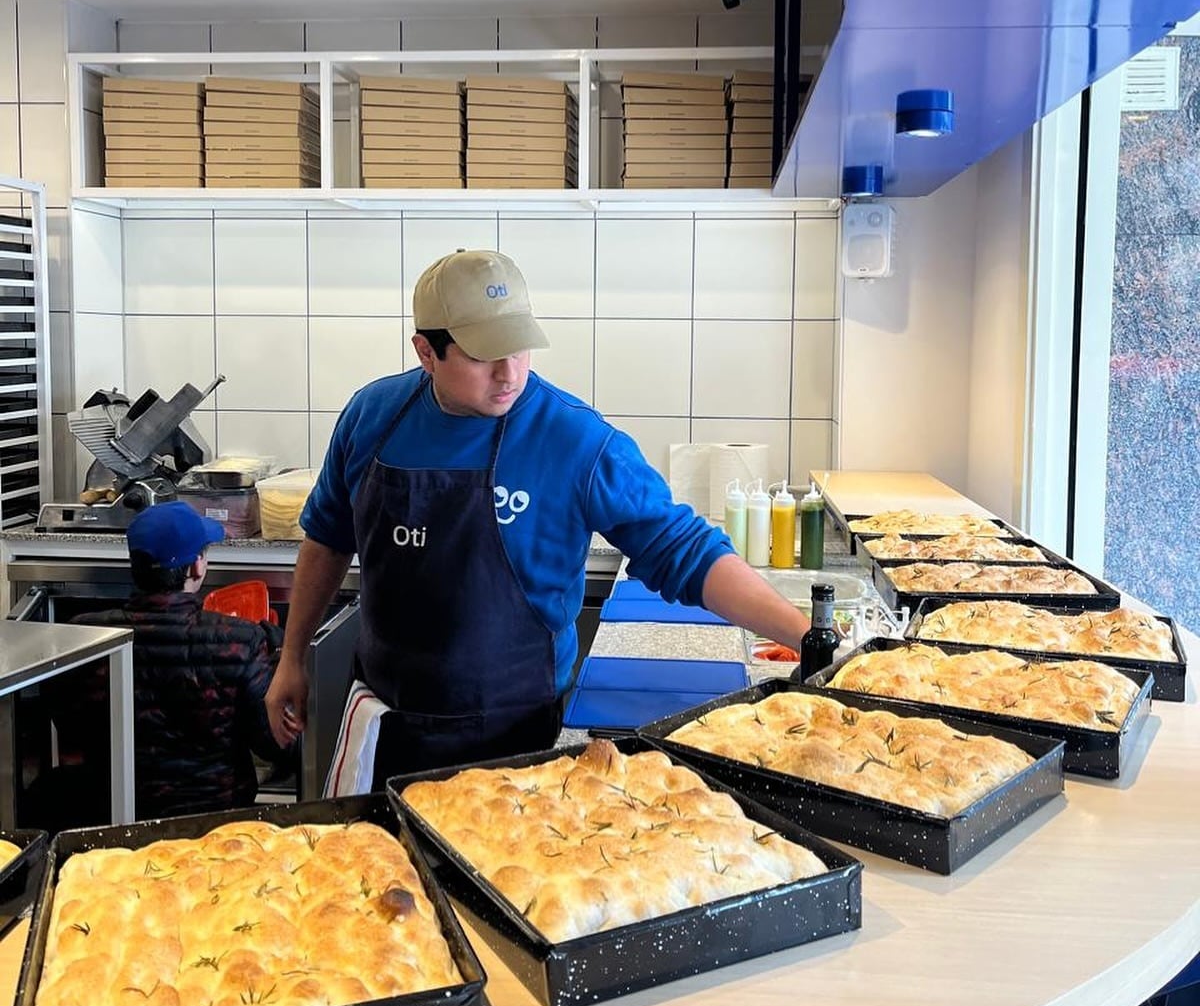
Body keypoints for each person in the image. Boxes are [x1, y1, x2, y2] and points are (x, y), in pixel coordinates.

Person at [265, 248, 811, 787]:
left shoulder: (575, 440)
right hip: (384, 717)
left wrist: (808, 637)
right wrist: (293, 658)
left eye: (519, 348)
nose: (509, 374)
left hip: (518, 734)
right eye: (483, 355)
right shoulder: (372, 415)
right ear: (426, 352)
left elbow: (683, 549)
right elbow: (327, 538)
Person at [75, 502, 293, 819]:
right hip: (217, 823)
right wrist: (275, 658)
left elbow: (73, 725)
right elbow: (275, 744)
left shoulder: (85, 637)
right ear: (196, 567)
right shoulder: (241, 642)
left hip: (115, 819)